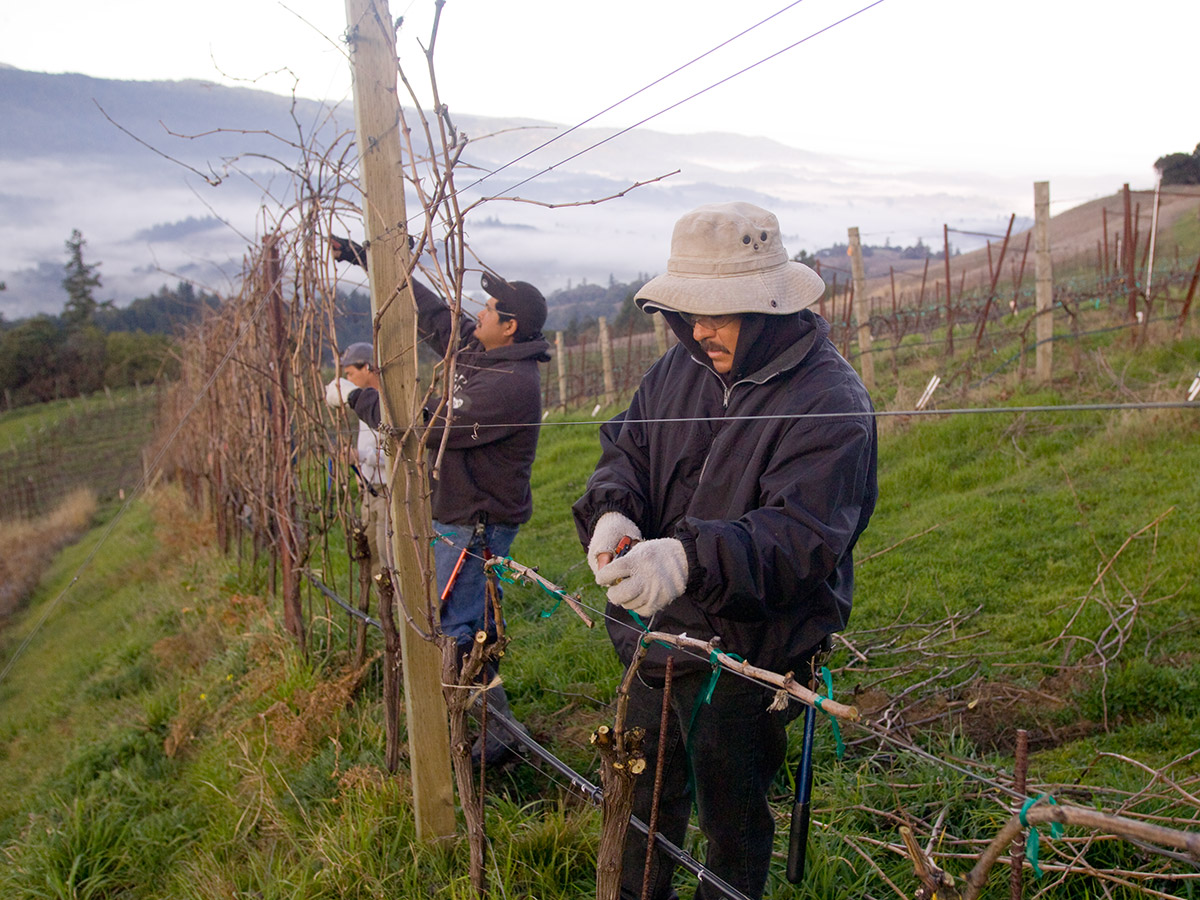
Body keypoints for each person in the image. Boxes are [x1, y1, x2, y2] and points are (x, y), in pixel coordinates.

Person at [572, 201, 878, 900]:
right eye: (689, 310)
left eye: (721, 310)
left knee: (730, 828)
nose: (700, 328)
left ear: (769, 306)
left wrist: (685, 559)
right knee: (641, 803)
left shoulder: (829, 402)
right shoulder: (679, 371)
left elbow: (799, 540)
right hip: (651, 644)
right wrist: (613, 509)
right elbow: (628, 446)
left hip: (748, 659)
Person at [330, 236, 550, 763]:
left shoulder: (511, 383)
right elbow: (429, 314)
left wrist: (355, 396)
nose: (479, 311)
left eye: (490, 308)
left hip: (477, 523)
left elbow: (425, 427)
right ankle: (487, 726)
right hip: (461, 515)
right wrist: (373, 262)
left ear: (511, 326)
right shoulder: (484, 351)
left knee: (455, 626)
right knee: (471, 623)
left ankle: (494, 734)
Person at [325, 341, 391, 581]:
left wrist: (363, 457)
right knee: (372, 553)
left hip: (387, 493)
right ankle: (384, 613)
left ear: (367, 368)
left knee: (388, 556)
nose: (348, 380)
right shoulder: (365, 404)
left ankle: (397, 610)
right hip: (369, 491)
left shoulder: (387, 402)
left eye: (350, 374)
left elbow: (398, 453)